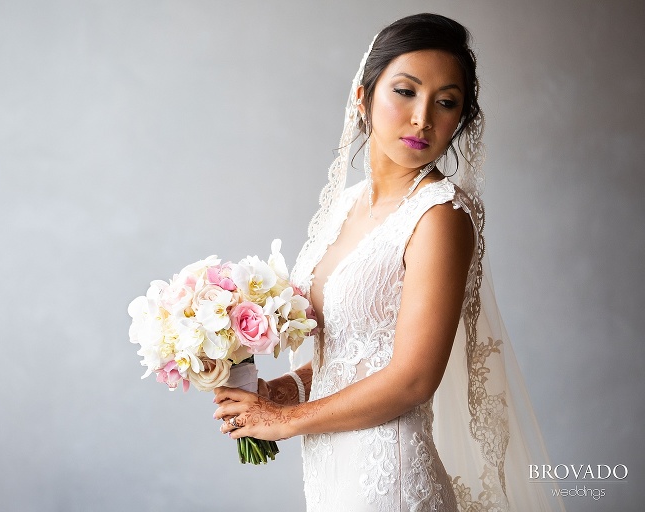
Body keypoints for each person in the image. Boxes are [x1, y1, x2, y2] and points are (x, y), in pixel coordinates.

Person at [213, 13, 565, 512]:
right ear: (363, 96)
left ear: (460, 121)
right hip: (331, 472)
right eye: (406, 91)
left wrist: (283, 421)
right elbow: (356, 351)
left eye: (446, 103)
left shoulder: (440, 215)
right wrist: (283, 391)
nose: (423, 117)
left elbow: (414, 378)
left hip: (389, 481)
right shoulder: (346, 204)